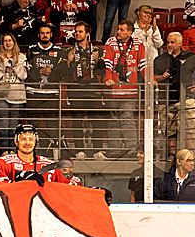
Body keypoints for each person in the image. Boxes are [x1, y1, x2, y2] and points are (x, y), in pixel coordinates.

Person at [102, 20, 146, 159]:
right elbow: (107, 63)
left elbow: (143, 64)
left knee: (127, 120)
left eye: (122, 30)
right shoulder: (110, 42)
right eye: (118, 29)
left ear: (130, 32)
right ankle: (114, 150)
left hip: (130, 91)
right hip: (113, 90)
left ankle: (131, 150)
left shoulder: (138, 44)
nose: (118, 32)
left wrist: (151, 80)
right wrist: (108, 78)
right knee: (114, 121)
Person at [24, 23, 67, 152]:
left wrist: (51, 74)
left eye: (47, 33)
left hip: (52, 92)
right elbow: (28, 70)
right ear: (38, 35)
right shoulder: (31, 50)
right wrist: (40, 72)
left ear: (51, 34)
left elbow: (63, 71)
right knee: (34, 124)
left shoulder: (59, 51)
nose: (45, 35)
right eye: (42, 33)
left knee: (52, 124)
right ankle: (35, 150)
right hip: (34, 92)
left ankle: (50, 150)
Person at [64, 21, 105, 158]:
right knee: (77, 122)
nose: (77, 34)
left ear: (87, 34)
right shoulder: (69, 51)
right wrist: (68, 62)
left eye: (80, 31)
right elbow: (62, 73)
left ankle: (97, 151)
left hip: (94, 90)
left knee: (97, 122)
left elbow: (103, 70)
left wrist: (99, 61)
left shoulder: (97, 50)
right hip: (76, 90)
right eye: (76, 31)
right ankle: (79, 151)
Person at [154, 31, 195, 153]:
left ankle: (191, 156)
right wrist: (161, 77)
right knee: (169, 132)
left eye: (172, 42)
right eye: (168, 42)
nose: (169, 45)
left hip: (186, 99)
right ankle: (171, 156)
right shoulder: (159, 59)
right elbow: (153, 77)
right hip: (166, 99)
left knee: (189, 130)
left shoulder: (191, 57)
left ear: (180, 43)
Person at [0, 122, 77, 185]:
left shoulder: (48, 165)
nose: (27, 143)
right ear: (16, 142)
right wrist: (18, 182)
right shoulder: (4, 163)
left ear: (35, 141)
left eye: (31, 139)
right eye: (23, 139)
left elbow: (68, 187)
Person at [0, 33, 28, 156]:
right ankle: (4, 149)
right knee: (4, 122)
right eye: (5, 40)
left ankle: (14, 149)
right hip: (2, 95)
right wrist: (1, 62)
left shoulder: (21, 56)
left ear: (14, 42)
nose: (7, 43)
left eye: (10, 40)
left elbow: (23, 76)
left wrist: (16, 64)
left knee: (14, 123)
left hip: (17, 95)